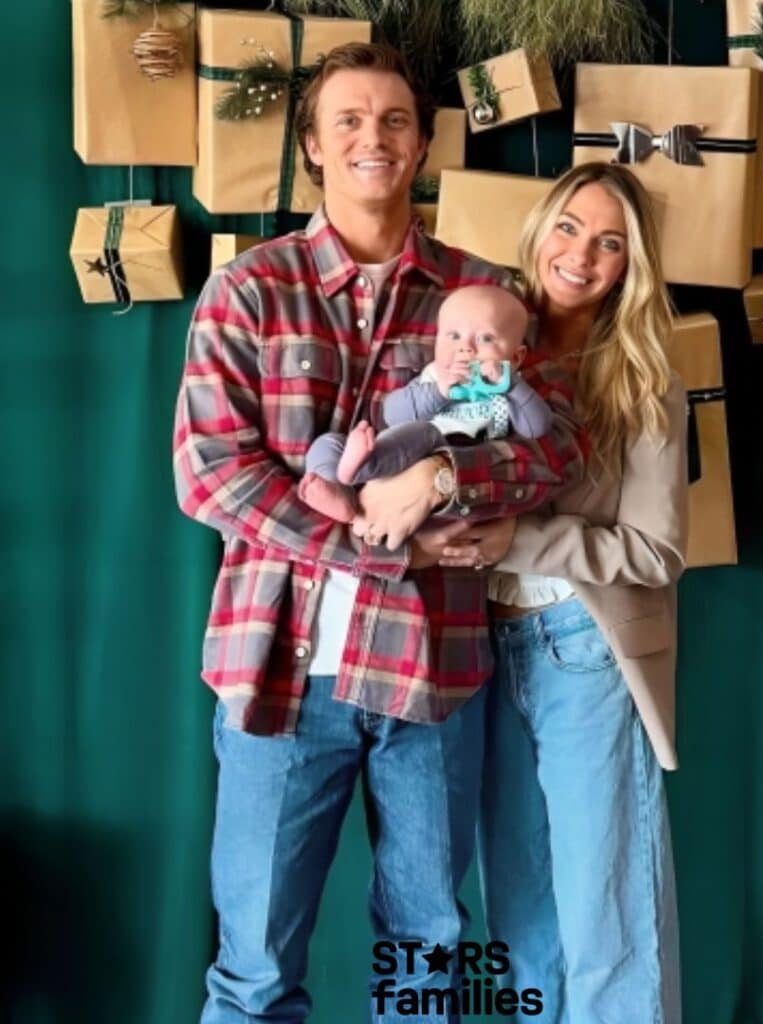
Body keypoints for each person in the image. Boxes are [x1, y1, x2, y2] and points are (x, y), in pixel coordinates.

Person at [172, 41, 585, 1023]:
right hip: (278, 671)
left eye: (394, 120)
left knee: (427, 951)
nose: (372, 137)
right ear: (313, 147)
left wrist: (449, 474)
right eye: (348, 120)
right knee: (256, 965)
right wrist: (367, 534)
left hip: (430, 674)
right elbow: (211, 472)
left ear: (425, 145)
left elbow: (551, 448)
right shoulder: (248, 291)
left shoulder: (479, 296)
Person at [436, 162, 688, 1024]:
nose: (582, 255)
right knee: (520, 911)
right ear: (540, 229)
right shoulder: (481, 340)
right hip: (477, 649)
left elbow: (656, 551)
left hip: (581, 645)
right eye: (571, 228)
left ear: (632, 265)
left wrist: (518, 538)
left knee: (605, 911)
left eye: (610, 242)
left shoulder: (644, 375)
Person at [299, 284, 552, 524]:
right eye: (453, 336)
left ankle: (358, 468)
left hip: (446, 461)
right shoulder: (434, 377)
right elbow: (393, 413)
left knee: (426, 431)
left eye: (486, 338)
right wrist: (440, 392)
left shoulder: (507, 391)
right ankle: (336, 491)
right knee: (329, 443)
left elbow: (537, 427)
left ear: (516, 358)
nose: (466, 348)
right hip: (391, 453)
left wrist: (512, 386)